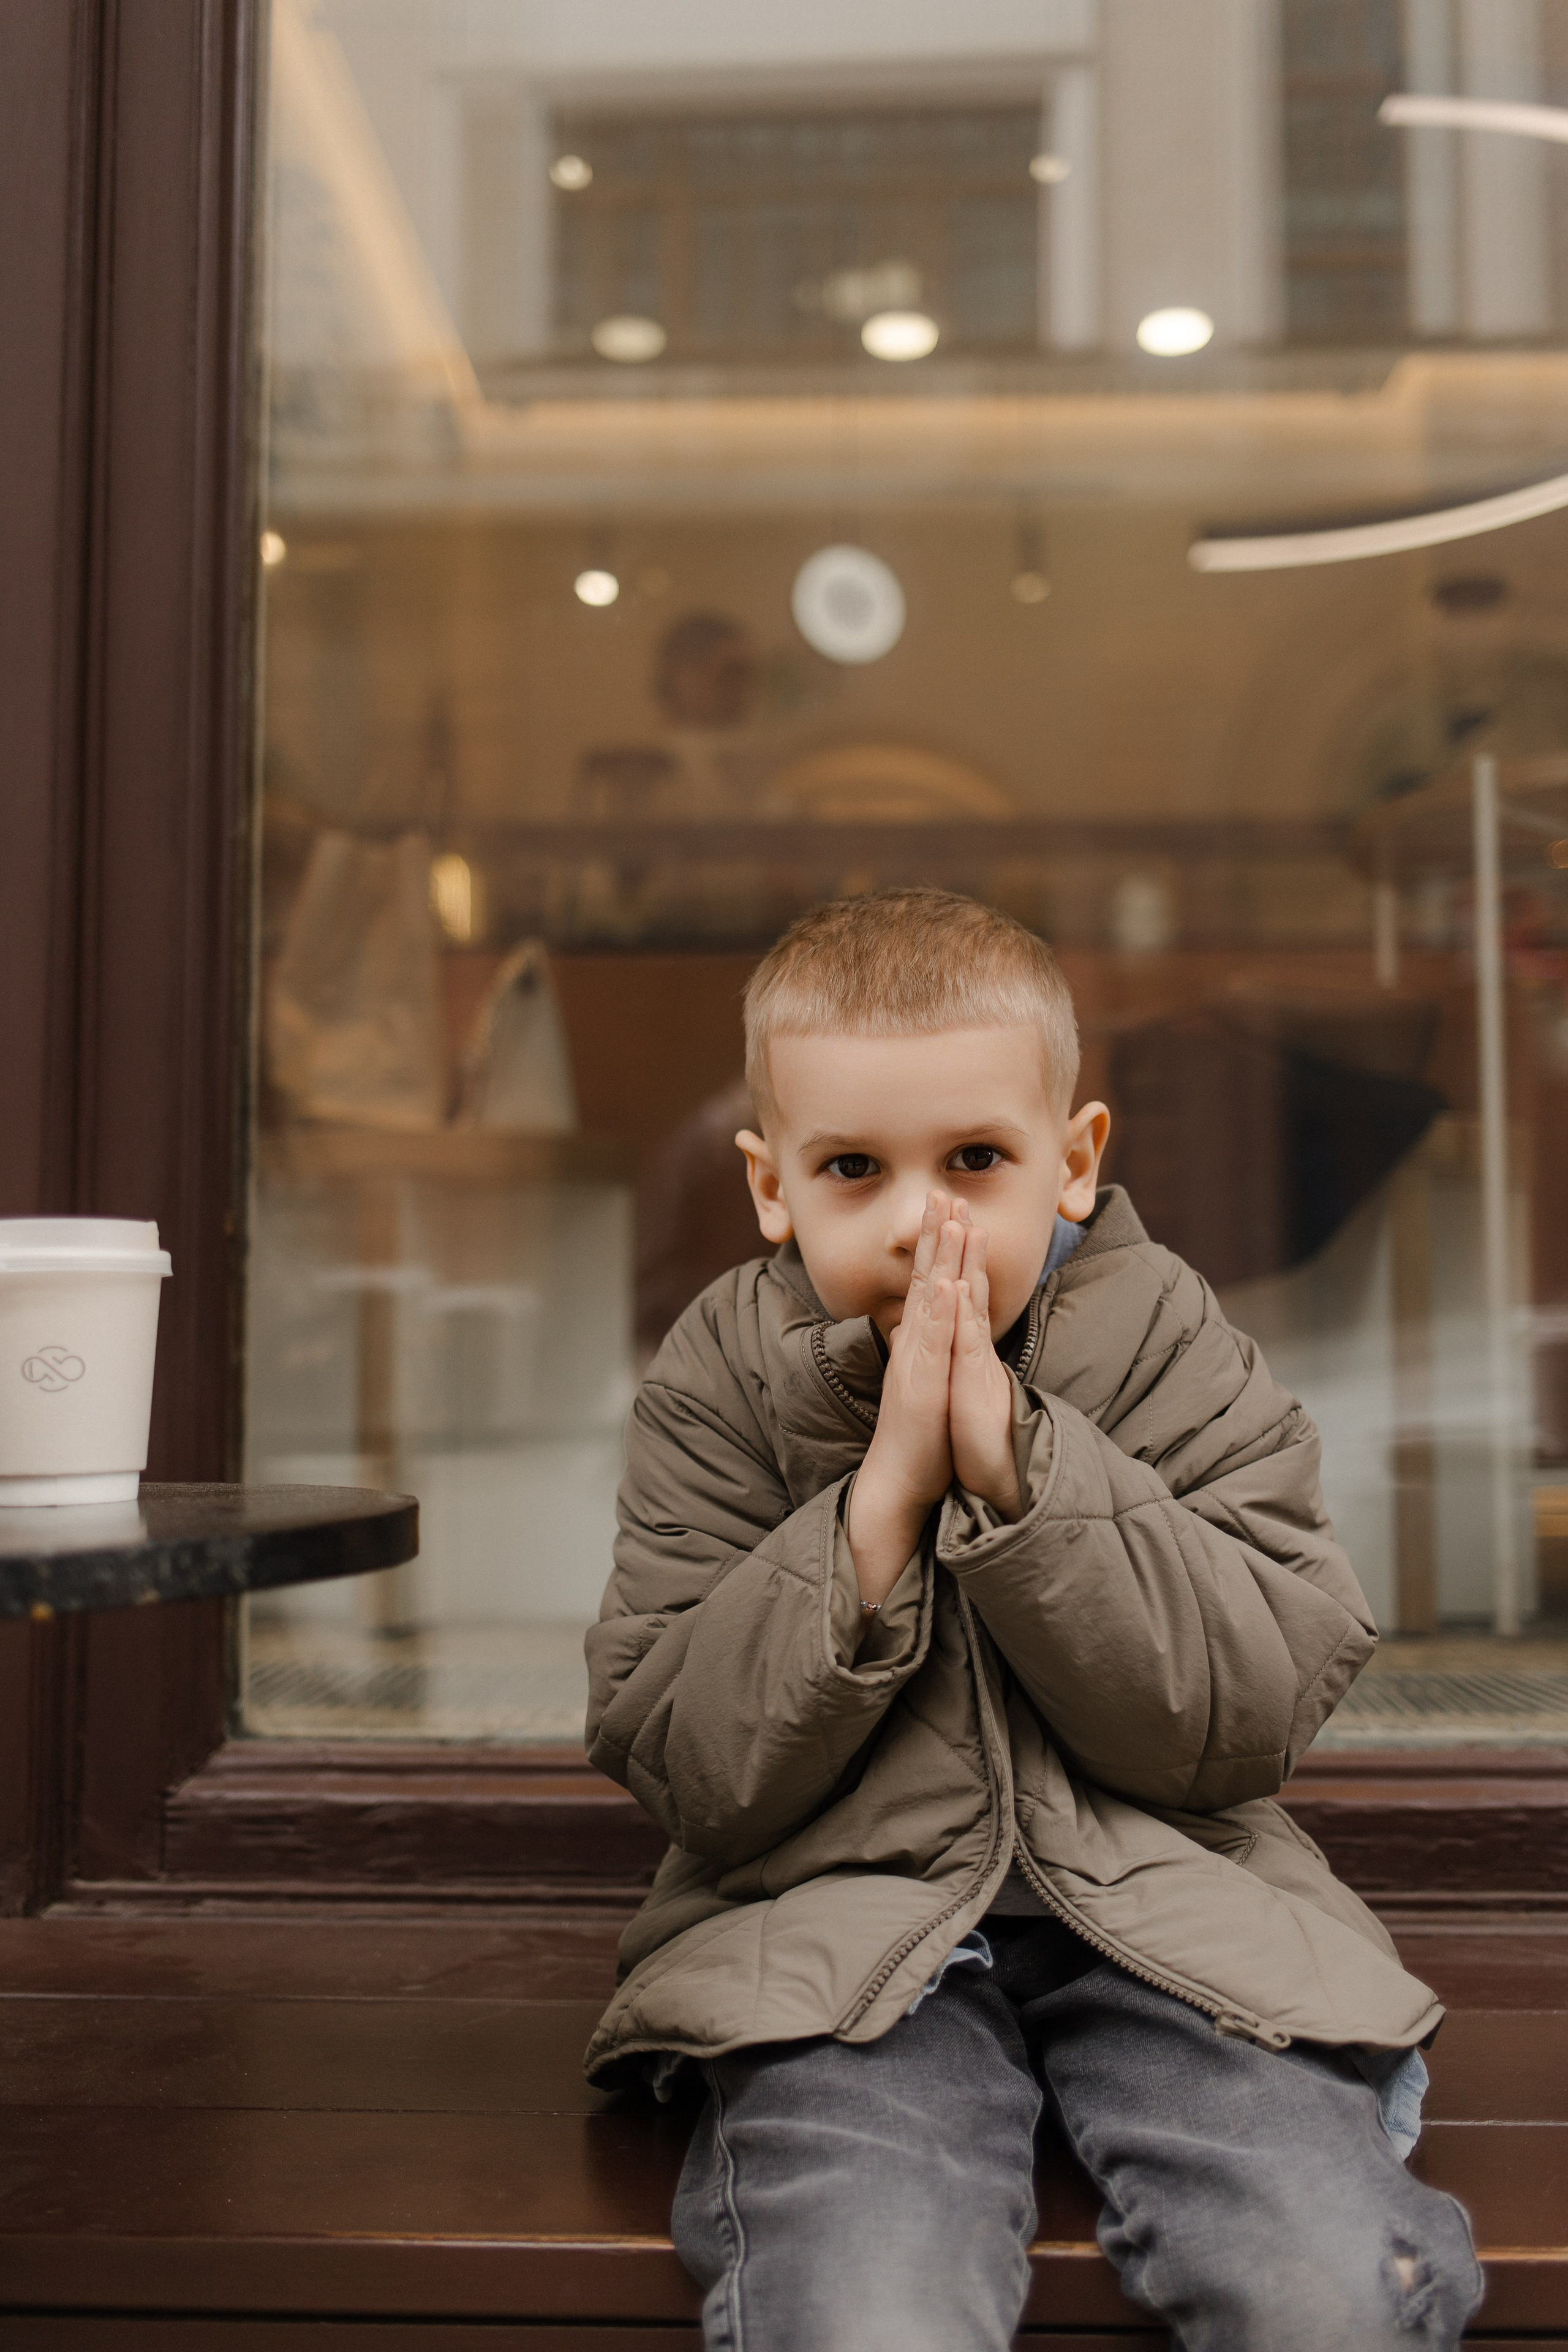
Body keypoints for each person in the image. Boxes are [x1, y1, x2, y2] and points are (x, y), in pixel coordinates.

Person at [584, 888, 1482, 2351]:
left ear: (1071, 1163)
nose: (914, 1223)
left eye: (975, 1160)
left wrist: (1014, 1473)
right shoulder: (722, 1378)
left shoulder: (1171, 1342)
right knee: (868, 2306)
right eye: (853, 1169)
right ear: (771, 1187)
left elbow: (1246, 1714)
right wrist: (878, 1504)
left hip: (1172, 1926)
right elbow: (685, 1764)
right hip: (839, 1945)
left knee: (1322, 2286)